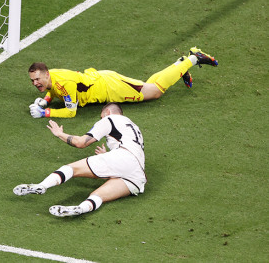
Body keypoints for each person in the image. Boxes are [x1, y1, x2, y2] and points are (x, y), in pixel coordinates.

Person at [13, 102, 145, 217]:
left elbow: (80, 143)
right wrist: (108, 155)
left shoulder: (109, 119)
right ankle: (80, 208)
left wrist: (60, 134)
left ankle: (42, 186)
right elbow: (129, 152)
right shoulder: (134, 127)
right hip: (137, 175)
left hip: (122, 158)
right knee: (98, 195)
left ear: (108, 112)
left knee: (71, 168)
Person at [28, 46, 218, 118]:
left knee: (156, 91)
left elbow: (71, 111)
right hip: (104, 80)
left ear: (45, 75)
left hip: (111, 88)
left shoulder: (64, 82)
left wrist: (45, 112)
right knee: (148, 86)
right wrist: (47, 99)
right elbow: (55, 89)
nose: (35, 83)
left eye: (38, 79)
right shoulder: (52, 76)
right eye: (32, 80)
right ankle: (180, 66)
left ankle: (193, 59)